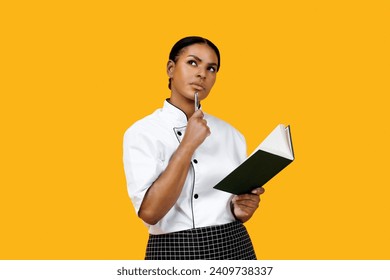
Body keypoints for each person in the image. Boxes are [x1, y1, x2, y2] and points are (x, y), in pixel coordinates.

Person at [123, 36, 265, 260]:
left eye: (211, 68)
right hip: (172, 249)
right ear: (171, 68)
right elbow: (150, 213)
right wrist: (188, 144)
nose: (202, 74)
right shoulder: (142, 133)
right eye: (192, 62)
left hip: (234, 244)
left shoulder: (232, 134)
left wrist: (241, 210)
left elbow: (233, 204)